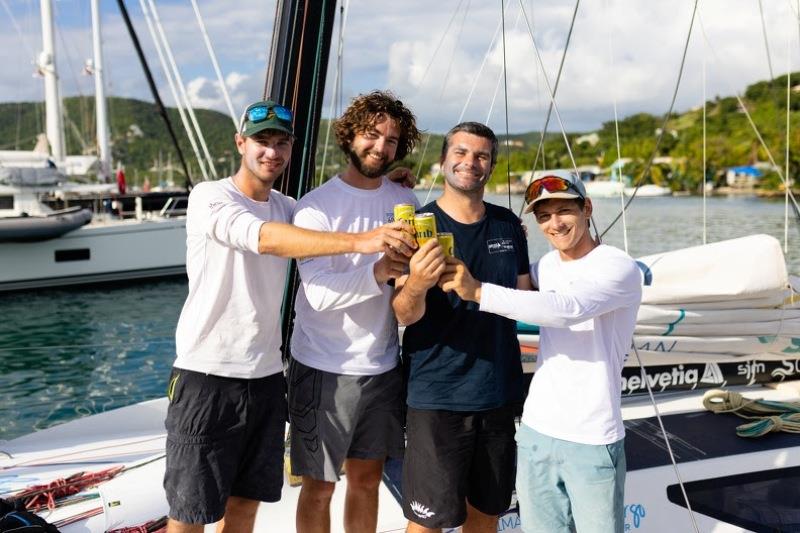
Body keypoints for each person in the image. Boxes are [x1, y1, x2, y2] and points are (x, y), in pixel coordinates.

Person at [164, 99, 417, 533]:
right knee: (192, 511)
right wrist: (365, 242)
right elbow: (263, 239)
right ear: (240, 142)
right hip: (206, 374)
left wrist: (382, 182)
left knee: (245, 506)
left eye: (281, 143)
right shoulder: (210, 196)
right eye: (262, 141)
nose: (272, 151)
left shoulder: (287, 205)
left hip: (265, 378)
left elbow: (325, 213)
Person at [440, 169, 642, 533]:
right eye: (544, 216)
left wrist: (477, 292)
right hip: (536, 431)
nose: (555, 224)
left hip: (593, 436)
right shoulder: (545, 266)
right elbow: (512, 286)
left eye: (564, 211)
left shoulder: (618, 267)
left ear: (588, 209)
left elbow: (566, 309)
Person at [288, 90, 422, 533]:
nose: (380, 147)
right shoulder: (315, 207)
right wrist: (381, 269)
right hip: (323, 365)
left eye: (390, 139)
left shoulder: (406, 201)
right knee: (319, 486)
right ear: (350, 136)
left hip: (382, 364)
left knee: (366, 481)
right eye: (371, 134)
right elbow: (321, 294)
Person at [392, 121, 532, 533]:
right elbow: (402, 313)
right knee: (426, 522)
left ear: (491, 166)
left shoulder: (509, 226)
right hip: (437, 396)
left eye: (481, 155)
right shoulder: (416, 226)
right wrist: (418, 282)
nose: (470, 162)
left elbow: (527, 298)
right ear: (443, 160)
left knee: (486, 516)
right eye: (461, 153)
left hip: (498, 392)